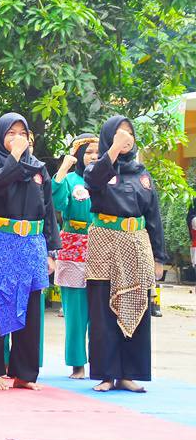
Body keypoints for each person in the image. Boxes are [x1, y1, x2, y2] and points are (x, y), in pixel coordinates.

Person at [0, 113, 59, 390]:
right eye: (11, 133)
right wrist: (15, 158)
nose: (17, 138)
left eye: (22, 133)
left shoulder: (39, 169)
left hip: (31, 243)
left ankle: (24, 374)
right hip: (0, 241)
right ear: (0, 136)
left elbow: (48, 212)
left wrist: (50, 251)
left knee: (31, 308)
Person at [84, 115, 167, 393]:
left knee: (137, 306)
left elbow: (153, 215)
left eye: (129, 132)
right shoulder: (98, 168)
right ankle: (107, 375)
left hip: (136, 243)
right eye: (119, 132)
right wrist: (112, 150)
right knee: (103, 309)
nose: (125, 137)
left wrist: (158, 258)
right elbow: (94, 182)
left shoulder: (141, 173)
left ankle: (129, 374)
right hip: (105, 245)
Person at [51, 133, 99, 379]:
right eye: (89, 151)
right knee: (76, 309)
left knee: (101, 306)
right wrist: (63, 168)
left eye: (97, 152)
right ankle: (77, 363)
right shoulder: (70, 179)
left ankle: (102, 362)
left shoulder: (107, 179)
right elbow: (57, 203)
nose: (93, 156)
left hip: (102, 245)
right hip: (73, 245)